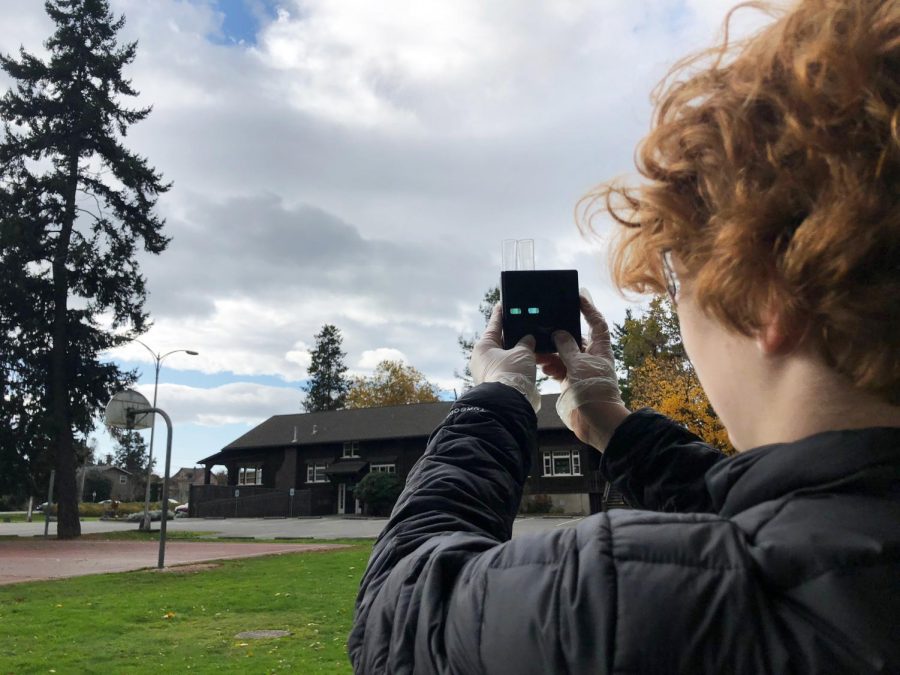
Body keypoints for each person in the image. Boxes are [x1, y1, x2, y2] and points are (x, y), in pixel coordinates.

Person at [349, 0, 900, 671]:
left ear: (764, 299)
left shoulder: (645, 605)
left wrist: (497, 400)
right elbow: (814, 514)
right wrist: (612, 421)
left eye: (677, 275)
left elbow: (397, 614)